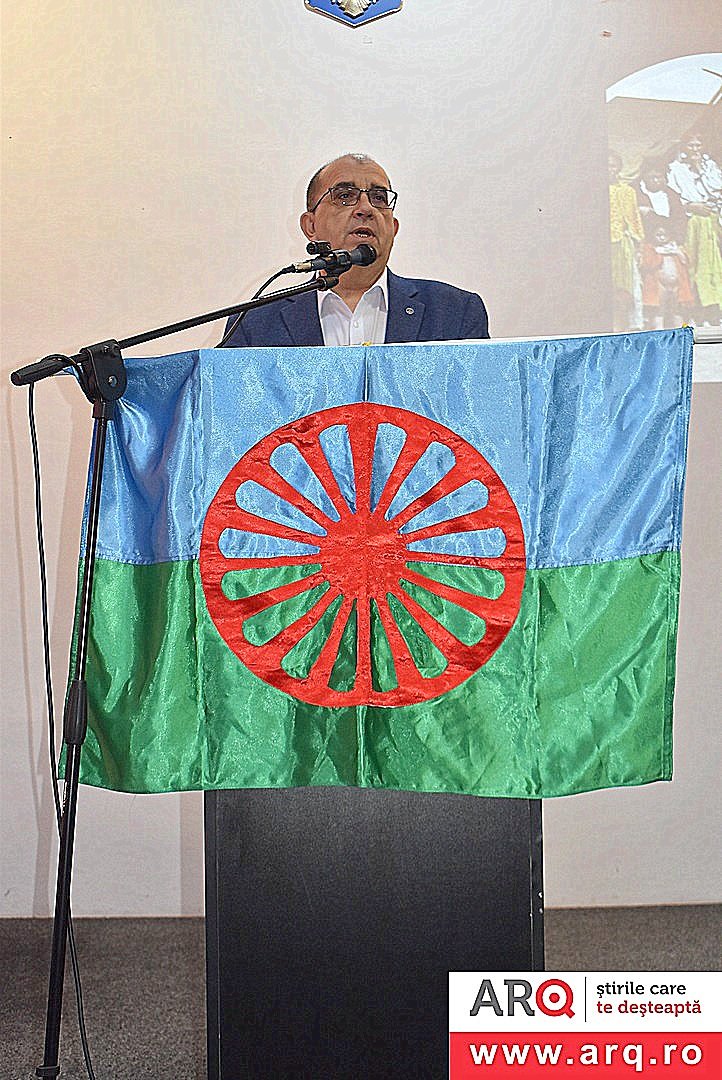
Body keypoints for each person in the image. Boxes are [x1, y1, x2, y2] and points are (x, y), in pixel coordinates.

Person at [220, 154, 489, 346]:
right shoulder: (254, 322)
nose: (365, 209)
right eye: (344, 196)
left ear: (393, 227)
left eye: (379, 198)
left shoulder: (455, 313)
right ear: (310, 226)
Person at [666, 135, 722, 325]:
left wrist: (699, 168)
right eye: (691, 145)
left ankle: (715, 311)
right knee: (695, 266)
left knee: (716, 265)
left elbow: (716, 189)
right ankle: (698, 312)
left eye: (699, 145)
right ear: (684, 147)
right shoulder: (676, 169)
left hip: (714, 219)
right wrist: (691, 206)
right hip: (693, 222)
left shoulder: (710, 166)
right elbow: (674, 197)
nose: (695, 149)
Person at [608, 151, 644, 332]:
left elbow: (634, 218)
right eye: (606, 165)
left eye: (613, 165)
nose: (609, 169)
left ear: (619, 168)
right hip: (603, 245)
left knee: (626, 285)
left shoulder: (628, 191)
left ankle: (628, 325)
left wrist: (639, 245)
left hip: (623, 242)